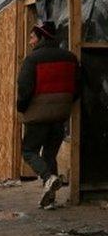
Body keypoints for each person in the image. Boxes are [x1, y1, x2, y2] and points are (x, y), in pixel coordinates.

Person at [16, 20, 80, 209]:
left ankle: (48, 177)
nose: (30, 42)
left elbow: (25, 89)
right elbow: (77, 87)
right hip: (60, 115)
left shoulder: (32, 60)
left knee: (29, 151)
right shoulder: (70, 58)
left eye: (32, 37)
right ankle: (50, 199)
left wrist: (21, 107)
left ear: (42, 37)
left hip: (38, 114)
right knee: (50, 154)